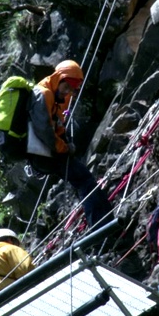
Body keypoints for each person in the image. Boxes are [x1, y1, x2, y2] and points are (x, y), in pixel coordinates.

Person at [28, 60, 112, 228]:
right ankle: (100, 226)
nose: (67, 93)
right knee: (85, 180)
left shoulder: (53, 94)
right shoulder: (43, 94)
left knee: (80, 179)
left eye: (71, 90)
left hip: (43, 153)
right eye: (66, 87)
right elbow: (45, 132)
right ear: (58, 78)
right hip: (44, 153)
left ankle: (100, 221)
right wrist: (65, 147)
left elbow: (54, 124)